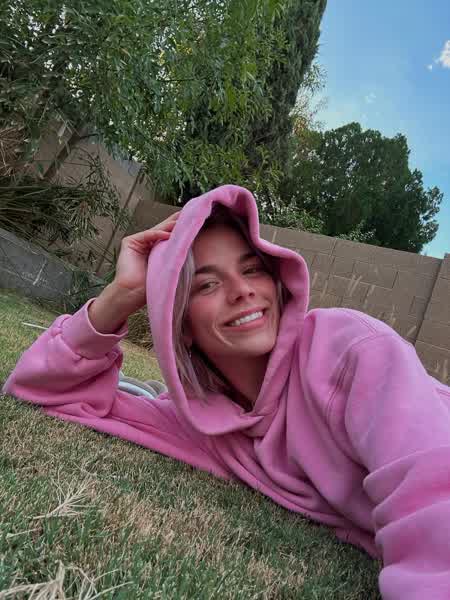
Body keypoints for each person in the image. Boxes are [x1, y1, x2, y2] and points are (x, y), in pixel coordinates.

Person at [3, 184, 450, 599]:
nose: (242, 291)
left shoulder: (349, 349)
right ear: (182, 324)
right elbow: (40, 391)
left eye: (252, 269)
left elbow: (434, 489)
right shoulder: (204, 424)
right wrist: (122, 294)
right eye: (208, 284)